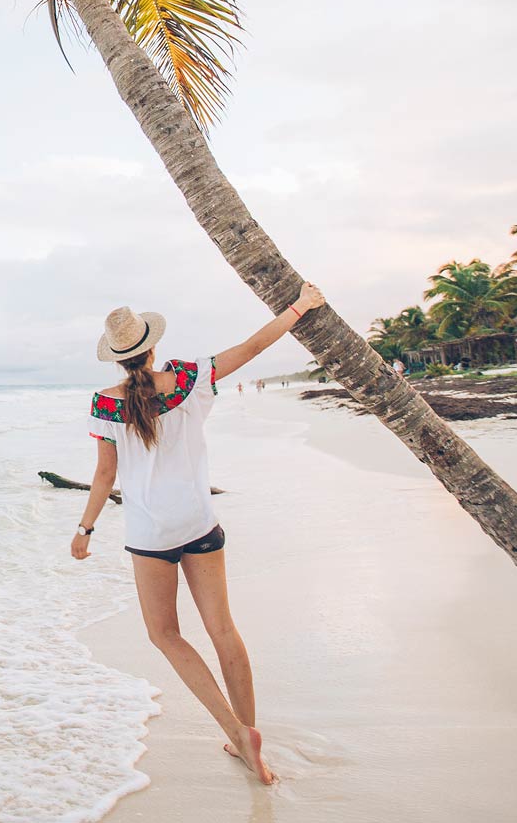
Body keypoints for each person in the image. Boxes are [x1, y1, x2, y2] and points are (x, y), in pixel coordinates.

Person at [71, 282, 327, 786]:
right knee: (223, 629)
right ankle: (247, 736)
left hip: (151, 534)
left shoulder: (104, 404)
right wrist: (300, 304)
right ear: (151, 345)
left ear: (117, 360)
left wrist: (85, 529)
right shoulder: (190, 377)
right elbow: (254, 347)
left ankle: (235, 730)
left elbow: (105, 475)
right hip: (200, 523)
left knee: (165, 635)